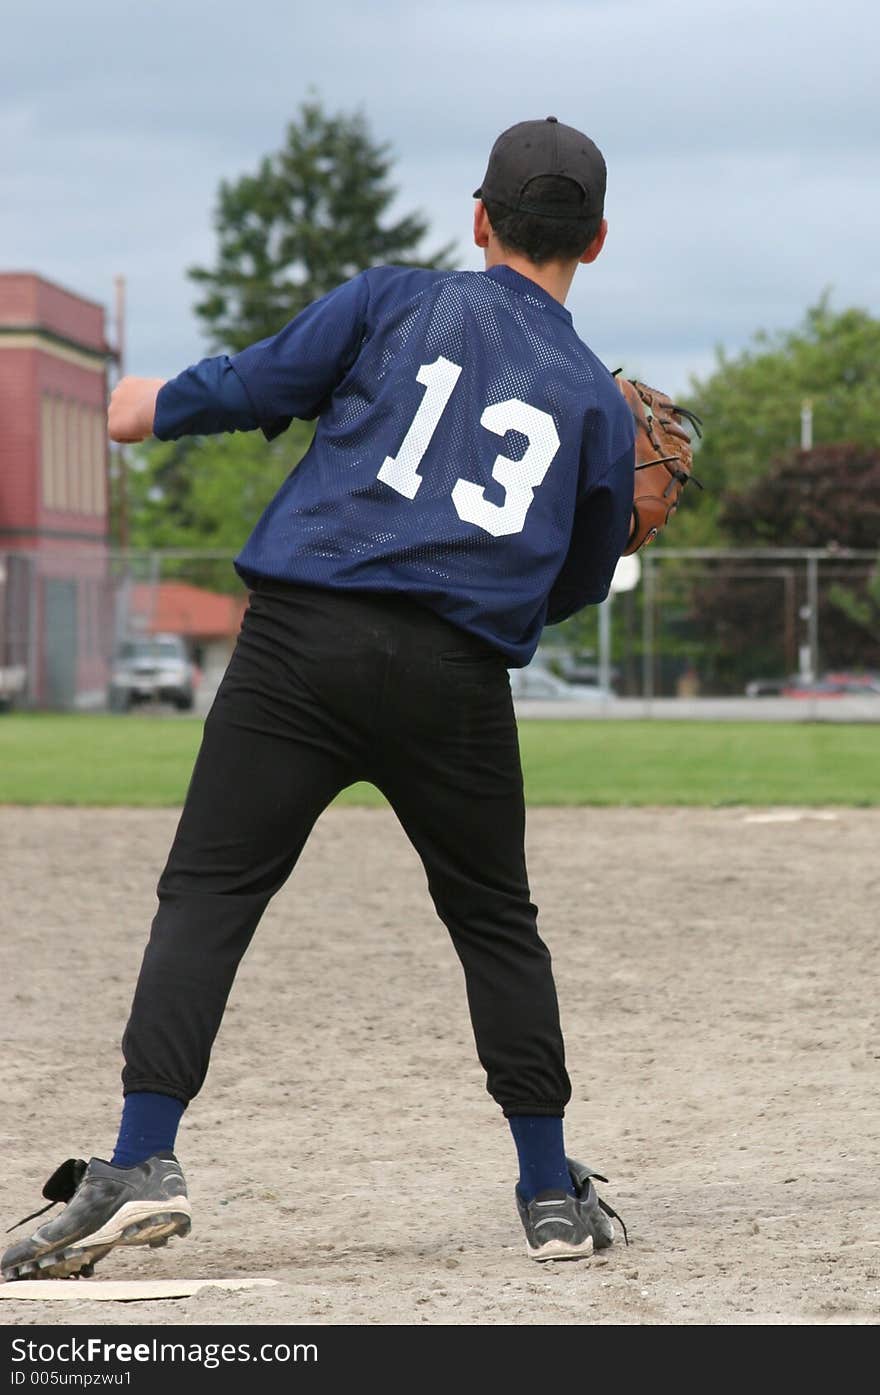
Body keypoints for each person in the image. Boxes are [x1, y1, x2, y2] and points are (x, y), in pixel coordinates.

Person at [3, 117, 634, 1277]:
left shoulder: (400, 301)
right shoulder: (594, 404)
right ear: (595, 243)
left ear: (480, 217)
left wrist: (153, 406)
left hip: (301, 646)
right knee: (494, 921)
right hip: (453, 679)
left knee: (209, 895)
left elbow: (261, 382)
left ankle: (145, 1157)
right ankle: (547, 1190)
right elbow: (577, 584)